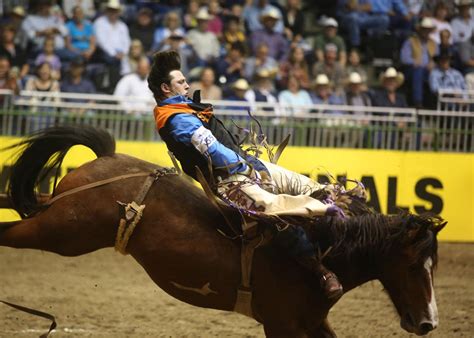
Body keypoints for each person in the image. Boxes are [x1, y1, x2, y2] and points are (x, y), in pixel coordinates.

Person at [148, 50, 344, 301]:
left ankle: (337, 230)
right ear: (166, 88)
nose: (187, 85)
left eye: (185, 80)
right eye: (180, 82)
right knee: (276, 212)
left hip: (244, 164)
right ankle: (321, 271)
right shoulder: (176, 119)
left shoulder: (183, 109)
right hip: (228, 181)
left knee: (305, 185)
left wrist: (248, 165)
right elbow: (212, 149)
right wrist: (245, 167)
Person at [400, 17, 438, 107]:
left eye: (428, 30)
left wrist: (434, 63)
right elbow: (404, 58)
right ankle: (418, 102)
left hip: (429, 70)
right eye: (424, 29)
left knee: (437, 73)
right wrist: (414, 62)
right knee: (418, 71)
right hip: (412, 70)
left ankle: (436, 103)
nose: (426, 32)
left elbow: (438, 58)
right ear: (420, 30)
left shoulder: (434, 43)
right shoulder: (410, 41)